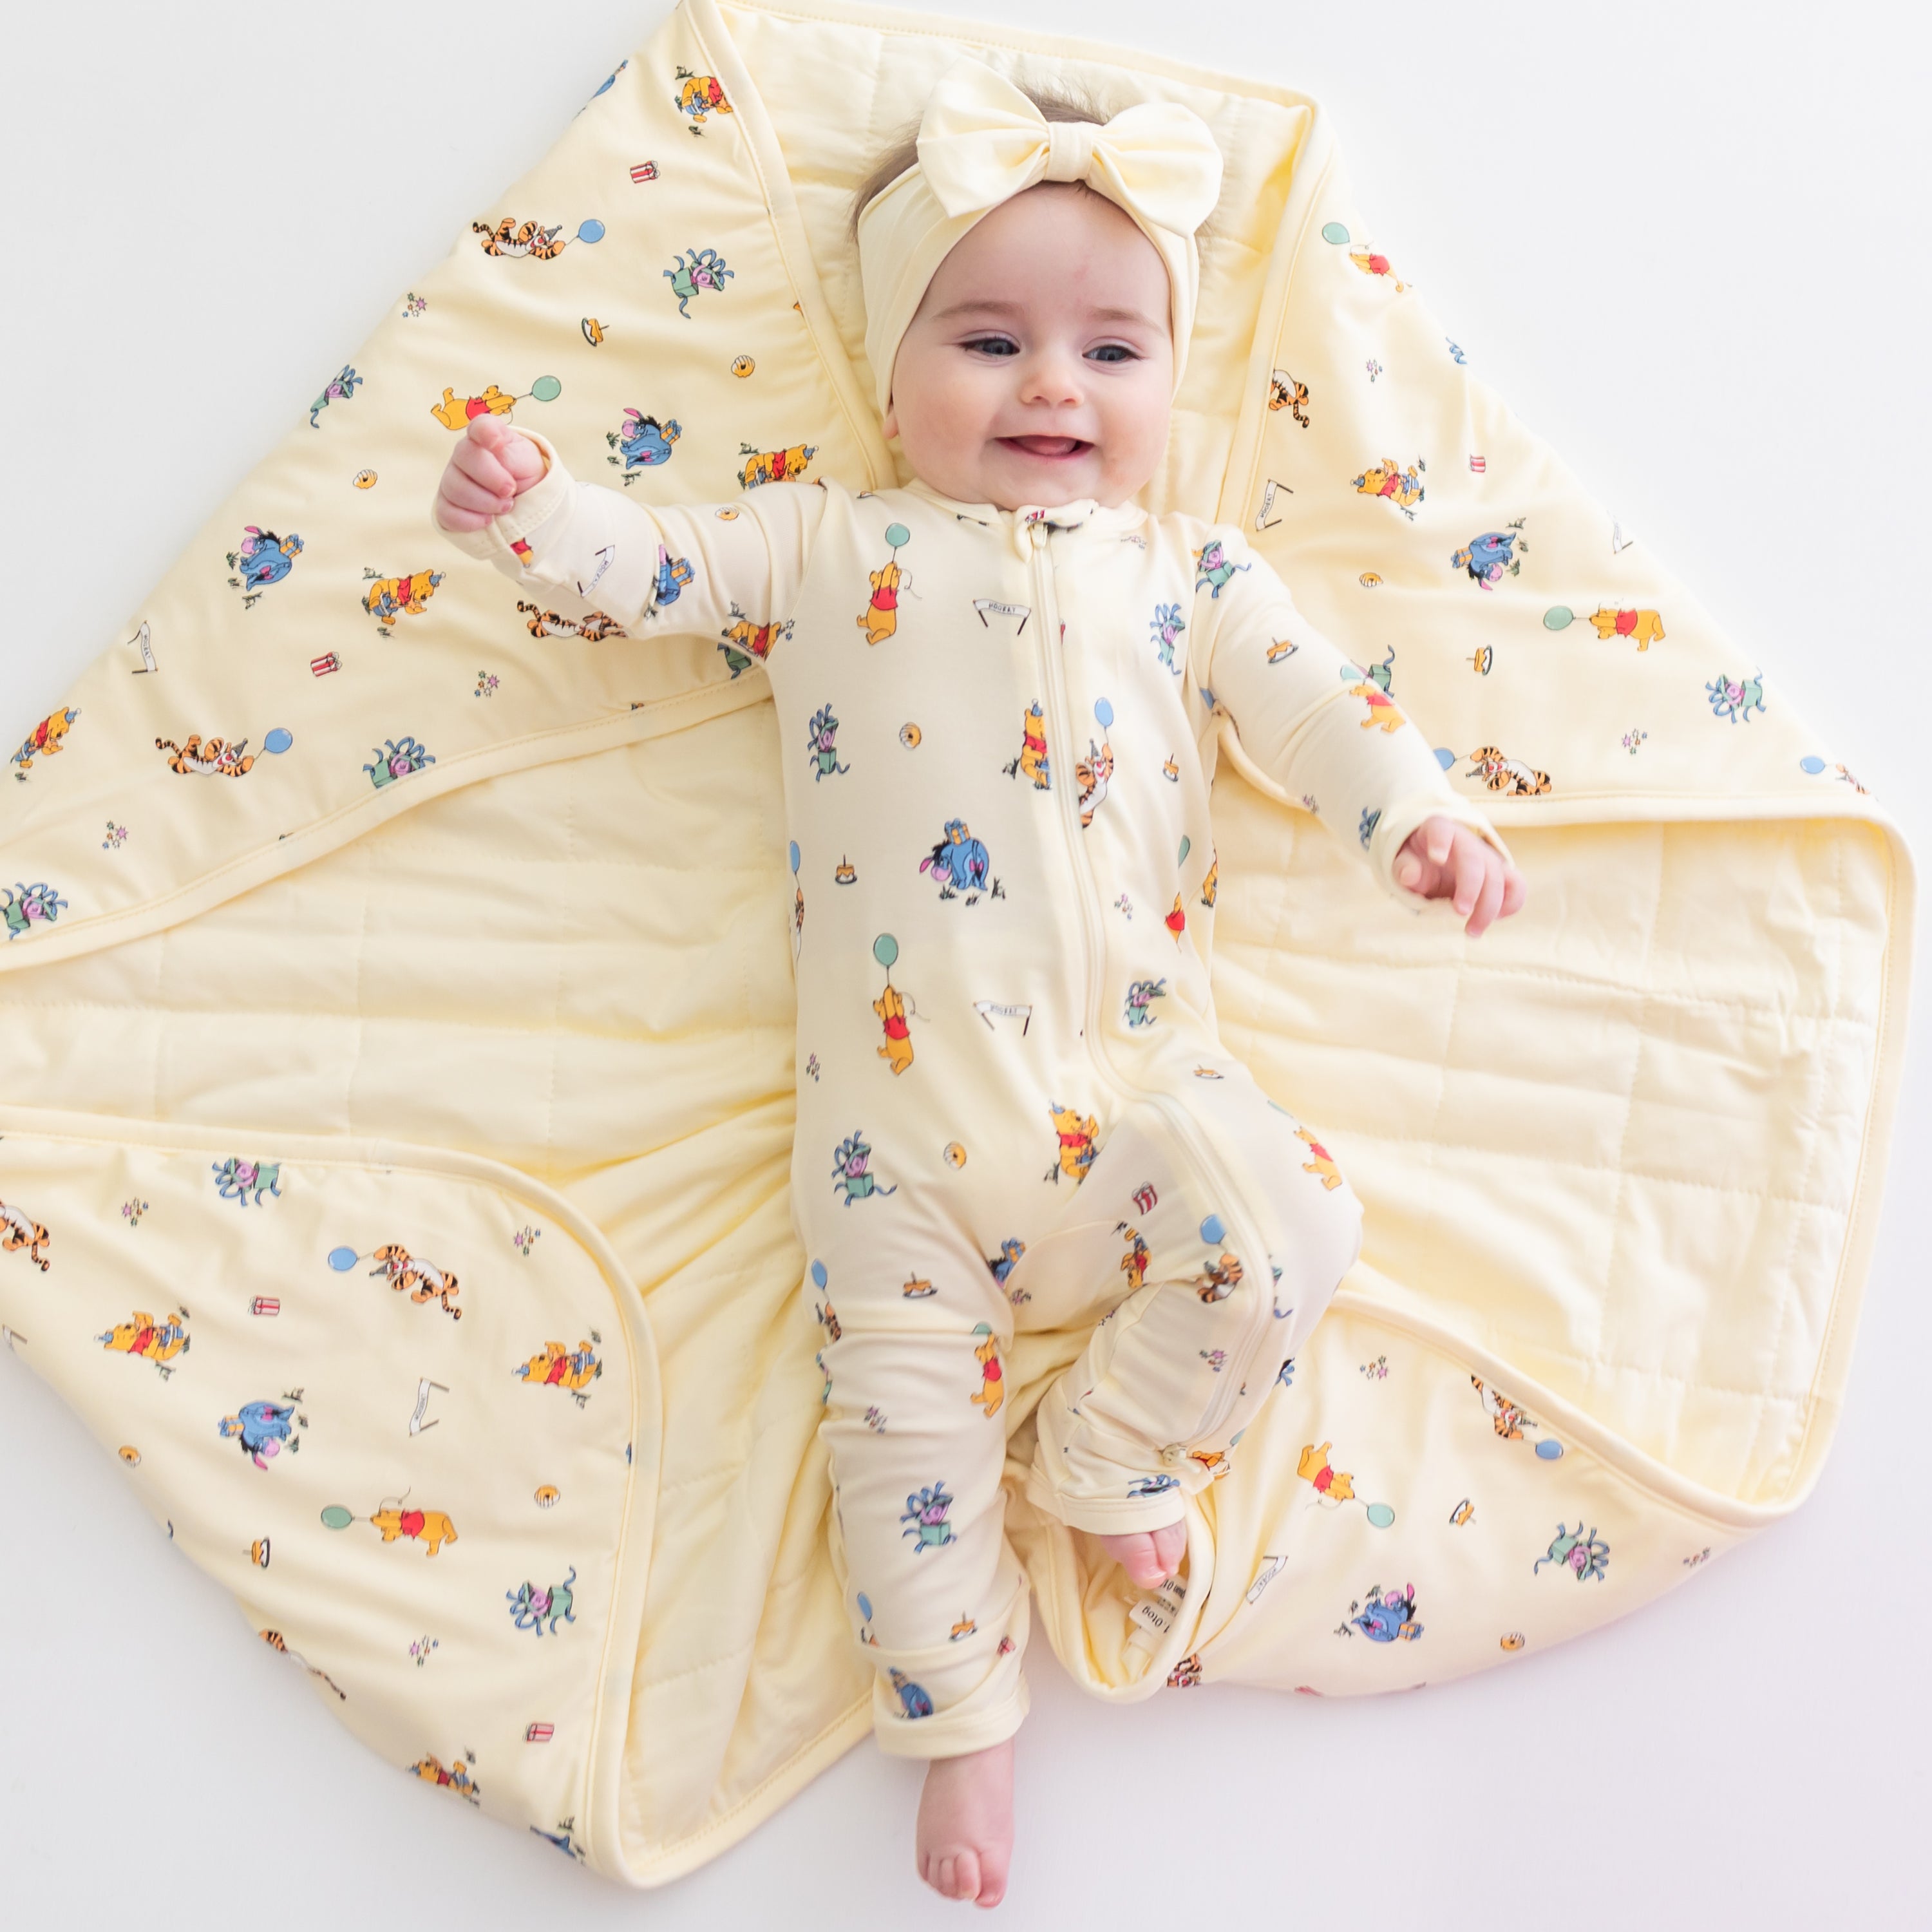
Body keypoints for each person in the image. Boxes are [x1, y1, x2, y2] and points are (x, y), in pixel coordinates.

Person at [433, 55, 1525, 1908]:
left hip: (1142, 1096)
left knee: (1292, 1229)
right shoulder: (825, 542)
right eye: (988, 338)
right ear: (889, 368)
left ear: (1169, 387)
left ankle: (1110, 1457)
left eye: (1113, 353)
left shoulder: (1193, 572)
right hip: (900, 1144)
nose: (1050, 386)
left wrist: (1412, 822)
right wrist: (534, 513)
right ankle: (963, 1731)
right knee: (903, 1445)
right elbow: (655, 567)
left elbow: (1322, 712)